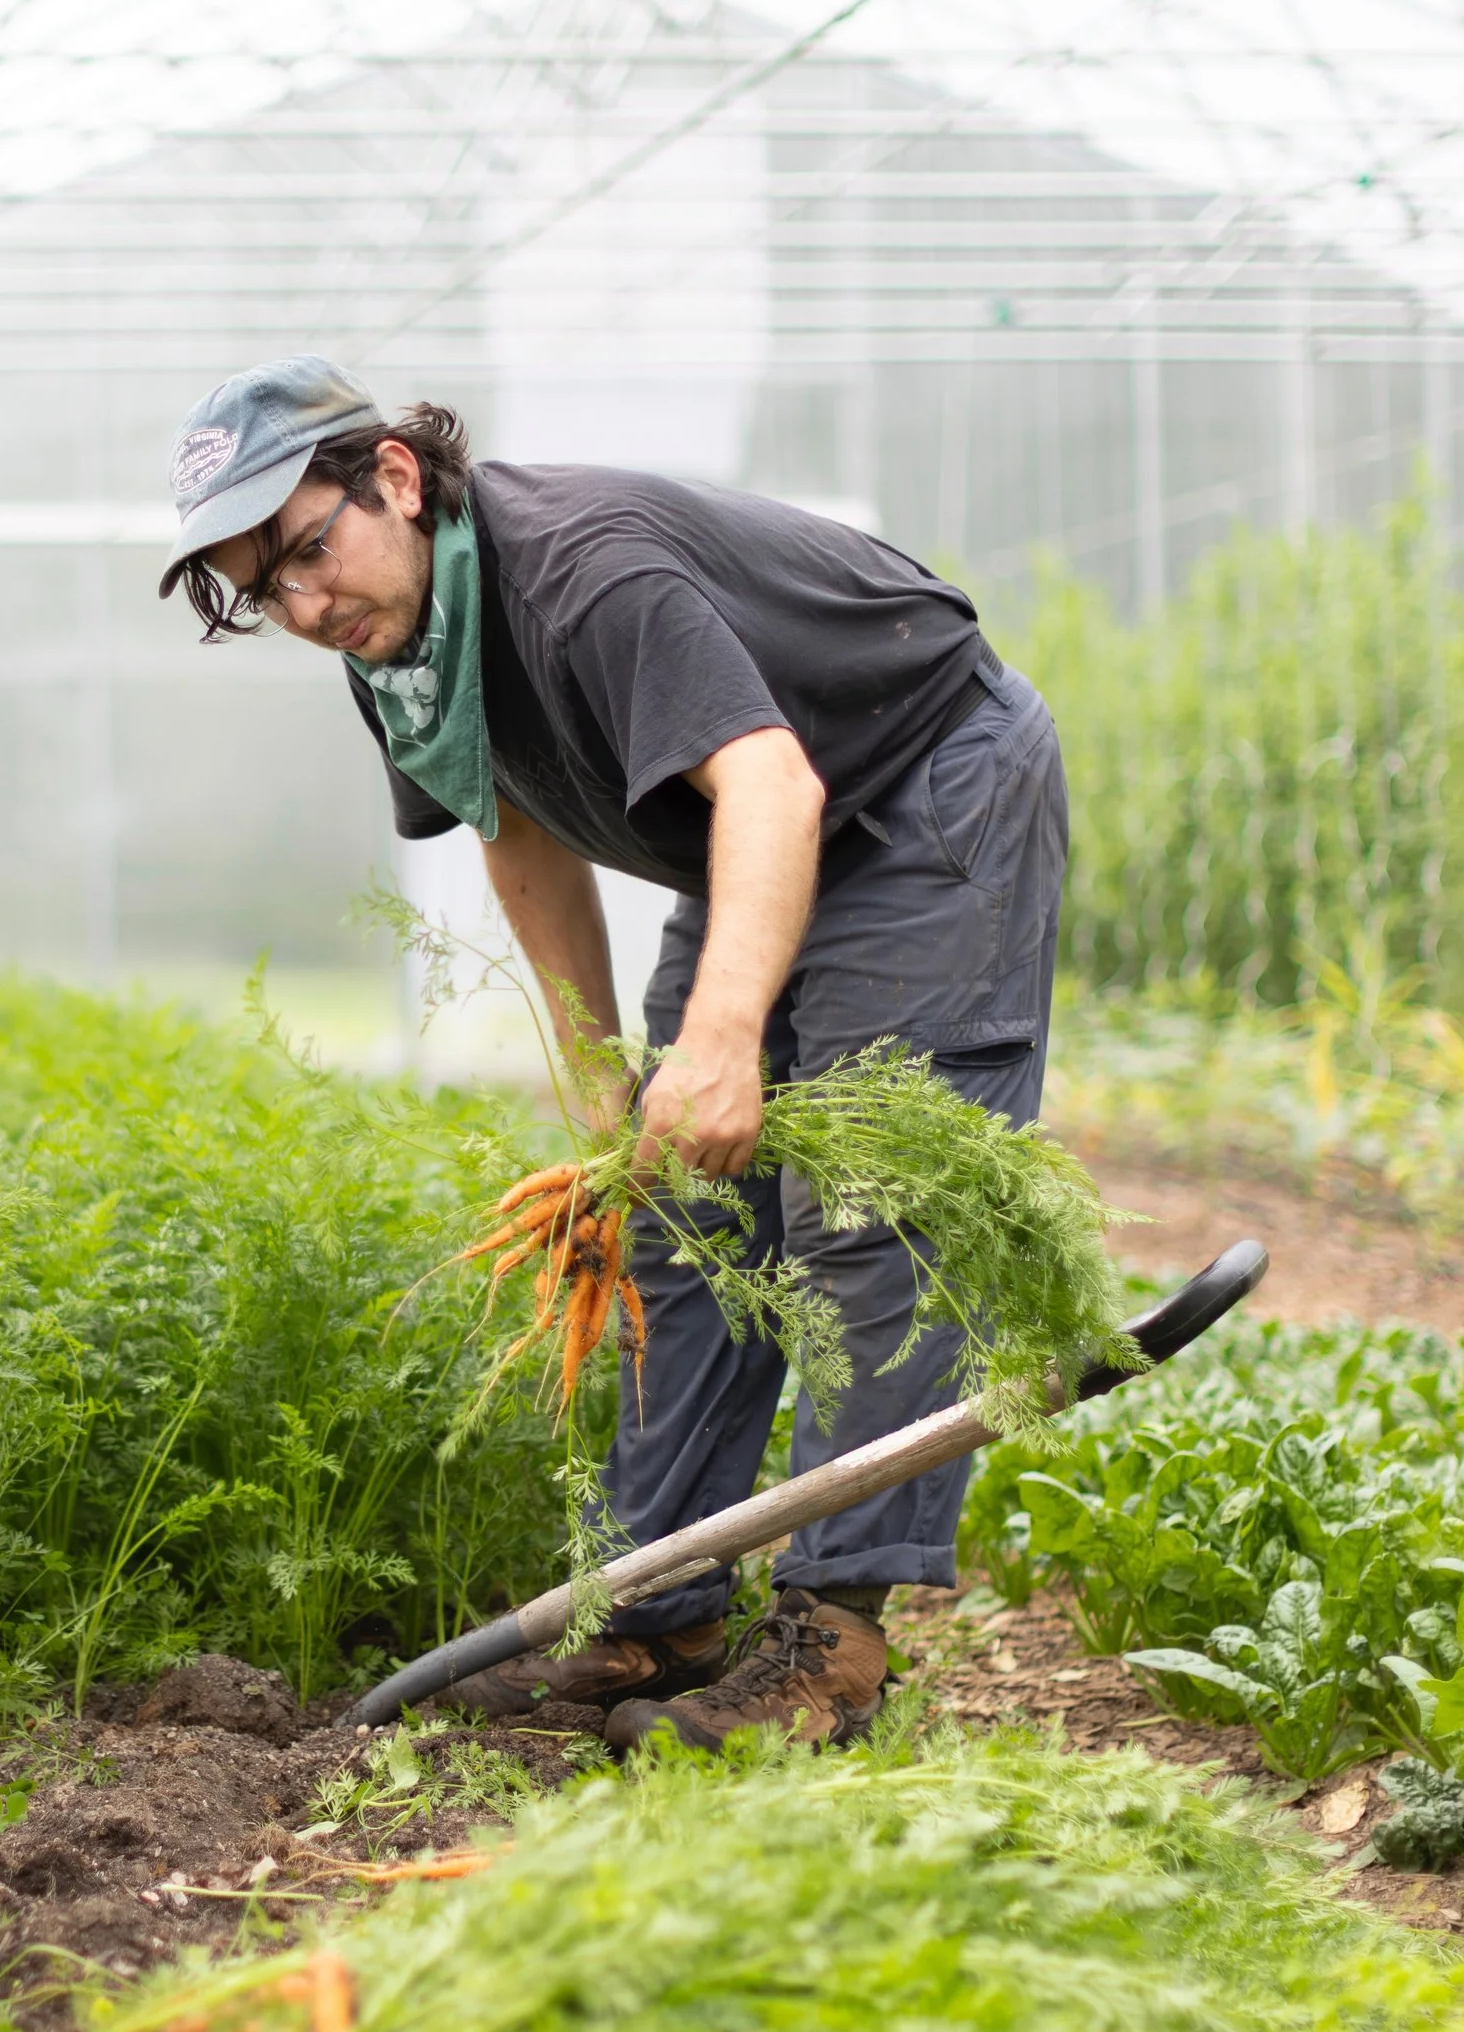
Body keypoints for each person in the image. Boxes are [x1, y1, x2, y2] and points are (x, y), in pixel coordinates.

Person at [158, 358, 1068, 1754]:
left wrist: (716, 1045)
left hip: (919, 779)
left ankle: (831, 1643)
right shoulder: (398, 645)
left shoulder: (581, 576)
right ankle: (658, 1609)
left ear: (393, 479)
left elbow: (775, 781)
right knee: (681, 1206)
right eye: (257, 591)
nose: (302, 606)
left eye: (301, 553)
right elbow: (510, 821)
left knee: (879, 1202)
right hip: (755, 828)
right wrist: (602, 1080)